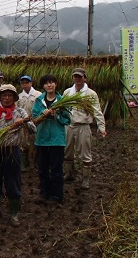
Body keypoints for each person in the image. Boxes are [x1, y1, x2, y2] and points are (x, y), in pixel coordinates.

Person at [0, 85, 36, 226]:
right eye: (4, 95)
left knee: (13, 182)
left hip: (12, 152)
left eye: (10, 95)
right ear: (0, 97)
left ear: (14, 97)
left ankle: (14, 214)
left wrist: (24, 122)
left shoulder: (20, 112)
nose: (6, 98)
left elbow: (33, 129)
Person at [63, 67, 107, 190]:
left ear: (84, 78)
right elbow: (62, 108)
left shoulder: (91, 94)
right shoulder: (67, 92)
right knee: (67, 151)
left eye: (80, 77)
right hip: (69, 126)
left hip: (83, 126)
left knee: (85, 154)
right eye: (75, 76)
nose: (77, 79)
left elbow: (97, 111)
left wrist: (101, 127)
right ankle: (69, 174)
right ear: (73, 78)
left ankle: (85, 179)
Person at [32, 74, 71, 204]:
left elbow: (67, 119)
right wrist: (42, 115)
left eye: (51, 82)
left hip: (57, 141)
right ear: (43, 86)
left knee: (56, 169)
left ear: (56, 84)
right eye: (46, 83)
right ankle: (44, 192)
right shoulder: (39, 101)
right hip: (41, 139)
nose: (49, 85)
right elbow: (34, 118)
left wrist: (57, 116)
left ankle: (57, 195)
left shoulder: (62, 101)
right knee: (42, 168)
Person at [17, 75, 43, 171]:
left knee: (35, 143)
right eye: (23, 83)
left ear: (31, 83)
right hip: (24, 124)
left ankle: (36, 164)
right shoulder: (19, 97)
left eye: (27, 83)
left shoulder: (38, 95)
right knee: (24, 143)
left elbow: (42, 109)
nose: (25, 85)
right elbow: (17, 110)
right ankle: (24, 164)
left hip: (36, 122)